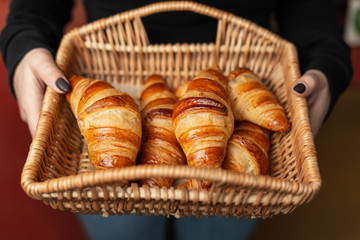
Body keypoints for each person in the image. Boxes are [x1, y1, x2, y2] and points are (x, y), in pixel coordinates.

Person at [0, 0, 353, 239]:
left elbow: (311, 13)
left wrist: (326, 64)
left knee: (215, 233)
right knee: (124, 231)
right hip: (112, 75)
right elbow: (33, 10)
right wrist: (23, 46)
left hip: (243, 99)